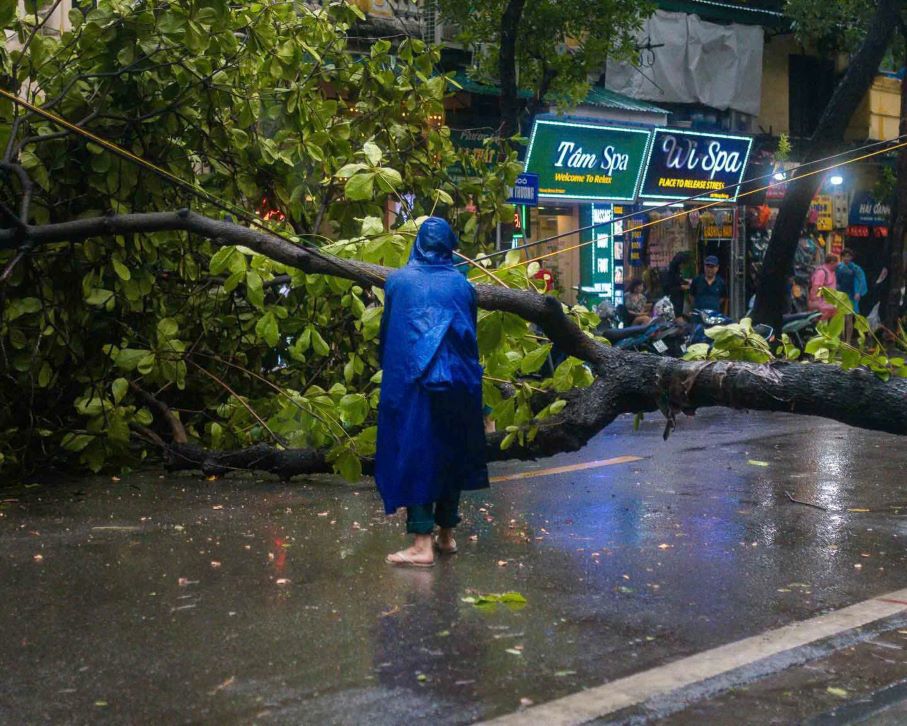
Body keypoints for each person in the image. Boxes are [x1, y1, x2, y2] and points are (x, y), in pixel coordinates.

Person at [376, 217, 489, 568]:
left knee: (416, 454)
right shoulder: (463, 285)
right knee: (450, 451)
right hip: (459, 381)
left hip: (414, 384)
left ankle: (421, 543)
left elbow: (388, 334)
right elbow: (470, 336)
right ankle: (446, 536)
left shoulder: (397, 282)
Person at [835, 248, 868, 344]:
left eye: (848, 256)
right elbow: (834, 279)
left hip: (850, 295)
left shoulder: (855, 268)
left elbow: (862, 280)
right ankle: (840, 339)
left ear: (852, 258)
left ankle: (848, 341)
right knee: (840, 318)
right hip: (840, 295)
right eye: (845, 256)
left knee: (849, 319)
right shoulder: (838, 267)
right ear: (842, 257)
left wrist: (859, 292)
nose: (846, 258)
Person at [808, 253, 838, 321]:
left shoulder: (832, 272)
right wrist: (817, 300)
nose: (837, 265)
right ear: (832, 262)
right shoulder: (821, 272)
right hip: (821, 304)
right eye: (836, 263)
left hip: (829, 304)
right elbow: (816, 288)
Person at [663, 251, 692, 319]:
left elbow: (678, 280)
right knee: (677, 318)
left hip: (679, 299)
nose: (684, 266)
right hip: (672, 301)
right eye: (684, 264)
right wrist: (681, 287)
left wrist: (687, 282)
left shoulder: (677, 270)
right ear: (680, 263)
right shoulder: (669, 272)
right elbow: (668, 288)